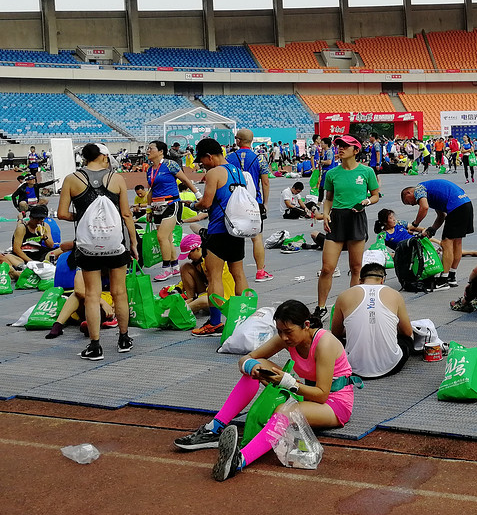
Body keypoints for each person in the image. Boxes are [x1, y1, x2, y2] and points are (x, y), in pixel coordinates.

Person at [174, 301, 356, 482]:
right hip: (304, 390)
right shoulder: (287, 337)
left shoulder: (324, 343)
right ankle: (214, 429)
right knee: (255, 370)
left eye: (288, 332)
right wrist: (251, 366)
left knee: (284, 411)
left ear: (306, 325)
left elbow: (322, 394)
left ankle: (240, 460)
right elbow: (247, 358)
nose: (284, 337)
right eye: (280, 332)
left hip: (334, 403)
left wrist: (286, 382)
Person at [56, 143, 137, 360]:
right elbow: (127, 215)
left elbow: (62, 213)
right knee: (119, 292)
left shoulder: (72, 179)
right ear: (102, 156)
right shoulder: (116, 178)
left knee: (91, 295)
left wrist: (83, 218)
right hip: (115, 242)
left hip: (88, 245)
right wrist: (134, 243)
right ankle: (124, 338)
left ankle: (95, 346)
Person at [188, 137, 252, 337]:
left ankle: (215, 323)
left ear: (209, 156)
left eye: (202, 161)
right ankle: (245, 319)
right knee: (238, 274)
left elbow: (206, 203)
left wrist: (192, 206)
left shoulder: (214, 172)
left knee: (213, 276)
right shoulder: (237, 171)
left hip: (219, 230)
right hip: (237, 229)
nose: (201, 165)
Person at [317, 135, 380, 319]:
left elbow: (376, 195)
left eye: (345, 146)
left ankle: (352, 307)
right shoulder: (332, 173)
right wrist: (326, 214)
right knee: (327, 268)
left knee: (356, 267)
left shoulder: (366, 171)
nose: (340, 148)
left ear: (356, 150)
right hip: (337, 218)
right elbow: (328, 198)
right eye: (339, 145)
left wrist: (367, 201)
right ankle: (321, 307)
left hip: (356, 217)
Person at [331, 263, 414, 378]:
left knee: (336, 341)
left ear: (360, 281)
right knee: (407, 339)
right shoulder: (395, 294)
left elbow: (335, 333)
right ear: (382, 280)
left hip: (352, 366)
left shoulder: (344, 295)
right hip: (391, 366)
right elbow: (407, 332)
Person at [400, 178, 475, 288]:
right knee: (457, 242)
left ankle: (443, 279)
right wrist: (432, 229)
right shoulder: (431, 197)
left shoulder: (419, 188)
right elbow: (441, 216)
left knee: (446, 243)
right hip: (466, 204)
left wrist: (414, 225)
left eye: (408, 201)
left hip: (456, 207)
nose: (412, 204)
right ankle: (451, 276)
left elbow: (424, 208)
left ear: (408, 192)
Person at [145, 140, 201, 282]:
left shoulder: (170, 164)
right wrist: (149, 209)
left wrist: (198, 195)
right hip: (157, 206)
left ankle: (165, 269)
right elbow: (151, 190)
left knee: (161, 237)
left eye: (151, 148)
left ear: (161, 151)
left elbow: (186, 180)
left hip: (171, 203)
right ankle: (175, 267)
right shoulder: (149, 170)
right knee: (167, 238)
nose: (147, 151)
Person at [231, 129, 273, 283]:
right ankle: (260, 271)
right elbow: (265, 182)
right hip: (253, 202)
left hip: (233, 202)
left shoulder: (229, 157)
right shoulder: (259, 158)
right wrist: (265, 203)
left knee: (233, 237)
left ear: (238, 141)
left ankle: (234, 272)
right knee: (257, 238)